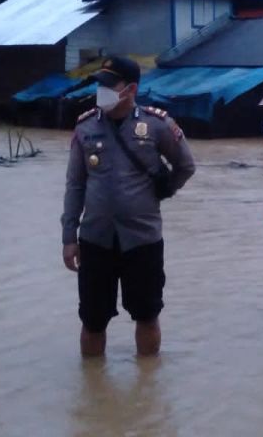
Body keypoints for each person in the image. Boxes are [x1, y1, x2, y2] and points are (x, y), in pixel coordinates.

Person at [61, 56, 196, 358]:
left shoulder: (157, 125)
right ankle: (94, 389)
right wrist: (69, 237)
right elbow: (75, 186)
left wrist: (162, 192)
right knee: (92, 320)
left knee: (147, 315)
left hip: (143, 239)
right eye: (99, 84)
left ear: (131, 88)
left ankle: (146, 387)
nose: (101, 90)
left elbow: (185, 166)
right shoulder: (85, 127)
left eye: (109, 85)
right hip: (95, 239)